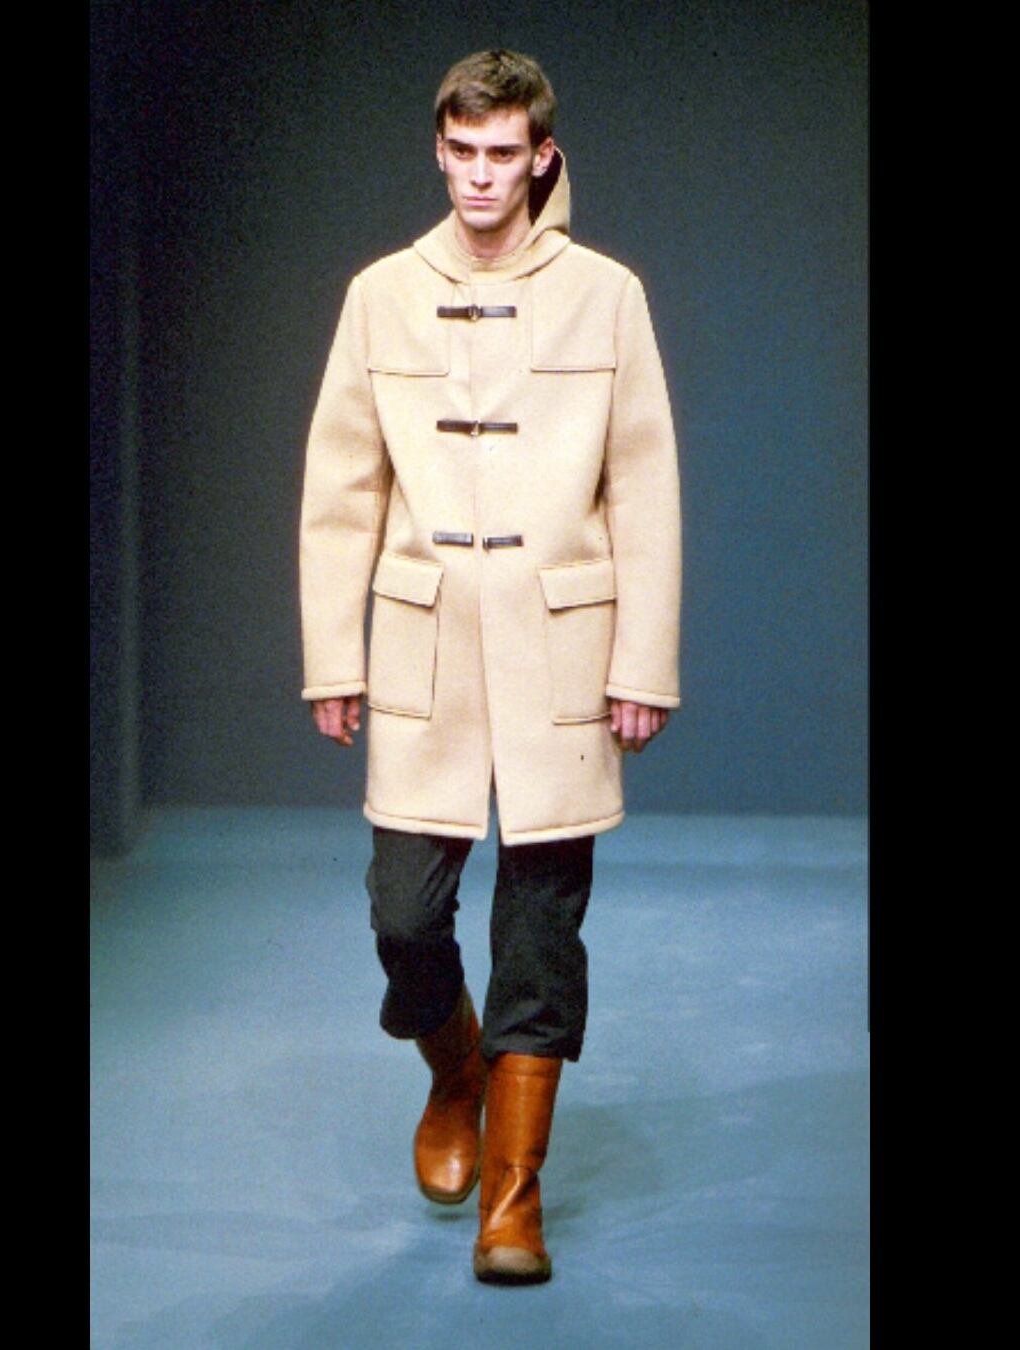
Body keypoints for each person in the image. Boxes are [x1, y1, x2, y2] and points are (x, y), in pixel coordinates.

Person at [299, 49, 681, 1284]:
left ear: (541, 158)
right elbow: (342, 491)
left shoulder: (607, 296)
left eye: (502, 154)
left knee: (541, 931)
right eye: (461, 152)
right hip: (424, 641)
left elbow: (646, 487)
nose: (478, 176)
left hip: (562, 641)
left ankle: (513, 1198)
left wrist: (644, 661)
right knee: (404, 915)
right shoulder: (381, 296)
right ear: (439, 150)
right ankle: (455, 1070)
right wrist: (332, 656)